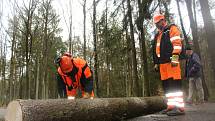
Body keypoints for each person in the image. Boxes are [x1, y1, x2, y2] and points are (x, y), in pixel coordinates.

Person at [152, 14, 185, 116]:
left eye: (159, 22)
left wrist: (175, 58)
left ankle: (179, 108)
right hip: (162, 64)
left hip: (171, 62)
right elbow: (157, 50)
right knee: (167, 86)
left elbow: (177, 44)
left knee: (174, 85)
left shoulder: (172, 29)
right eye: (156, 23)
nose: (158, 25)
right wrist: (156, 63)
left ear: (163, 20)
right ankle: (170, 106)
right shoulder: (158, 35)